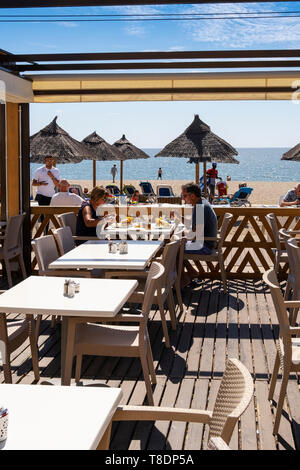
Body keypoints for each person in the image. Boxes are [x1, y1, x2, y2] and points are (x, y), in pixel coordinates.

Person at [181, 182, 218, 285]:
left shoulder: (200, 208)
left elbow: (195, 234)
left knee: (174, 249)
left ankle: (183, 280)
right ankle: (191, 272)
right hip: (206, 243)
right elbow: (195, 226)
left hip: (205, 246)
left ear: (192, 196)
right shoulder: (201, 203)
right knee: (175, 247)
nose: (183, 198)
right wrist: (179, 218)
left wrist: (183, 237)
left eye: (184, 196)